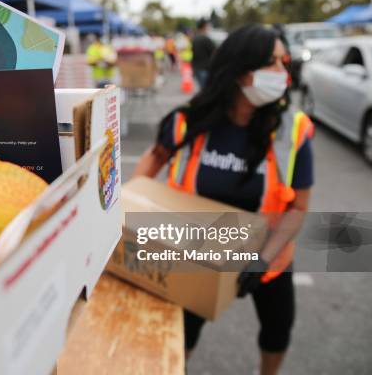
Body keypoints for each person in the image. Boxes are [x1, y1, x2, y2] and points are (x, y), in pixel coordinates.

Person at [133, 24, 314, 375]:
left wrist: (262, 259)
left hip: (267, 256)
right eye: (273, 63)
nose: (283, 72)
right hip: (198, 254)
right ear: (241, 72)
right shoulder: (189, 121)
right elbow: (151, 161)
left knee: (277, 329)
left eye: (284, 60)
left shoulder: (293, 130)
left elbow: (300, 207)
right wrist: (130, 210)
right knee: (181, 333)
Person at [191, 19, 216, 89]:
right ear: (204, 26)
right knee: (208, 90)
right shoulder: (206, 39)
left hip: (196, 68)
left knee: (203, 89)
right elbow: (215, 53)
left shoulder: (194, 39)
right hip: (205, 69)